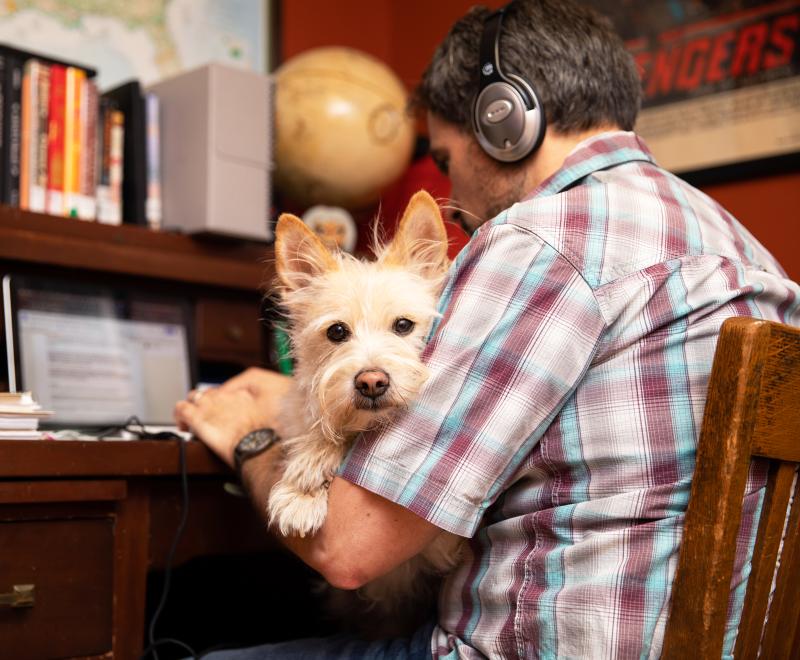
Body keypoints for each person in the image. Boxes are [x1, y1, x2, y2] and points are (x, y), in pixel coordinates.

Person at [174, 1, 800, 658]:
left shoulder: (539, 244)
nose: (460, 206)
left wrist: (250, 437)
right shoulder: (744, 248)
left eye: (445, 160)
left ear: (506, 121)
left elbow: (350, 547)